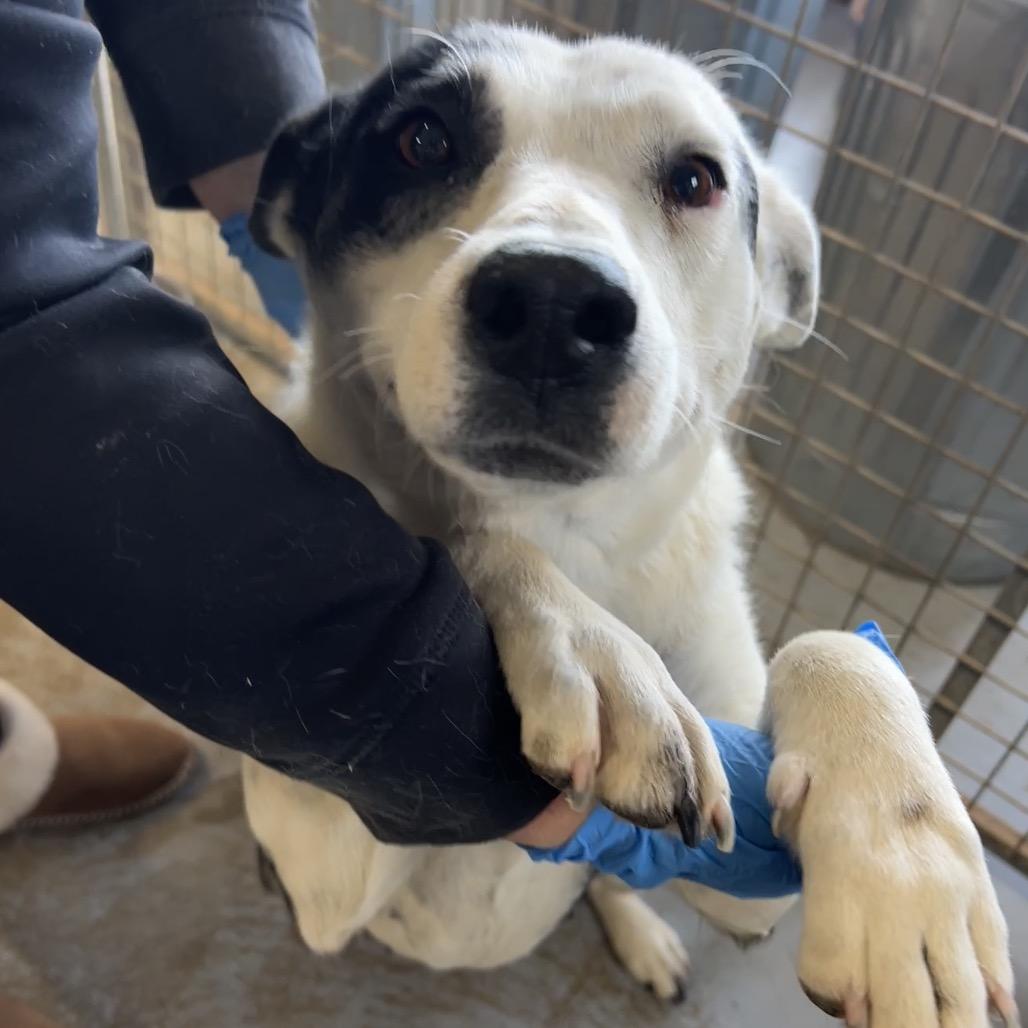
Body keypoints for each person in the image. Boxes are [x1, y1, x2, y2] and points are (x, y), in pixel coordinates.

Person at [0, 4, 804, 1022]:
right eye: (427, 144)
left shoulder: (697, 549)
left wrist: (848, 704)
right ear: (296, 214)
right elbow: (328, 912)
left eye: (684, 181)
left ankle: (604, 892)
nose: (556, 278)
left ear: (773, 287)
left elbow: (754, 902)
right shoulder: (271, 548)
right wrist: (473, 595)